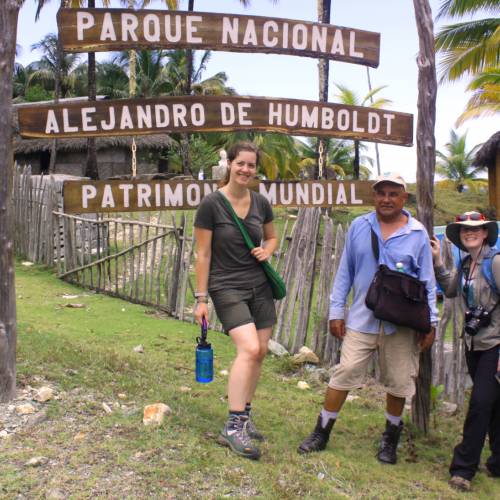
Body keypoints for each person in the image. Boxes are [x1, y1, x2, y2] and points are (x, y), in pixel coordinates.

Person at [298, 173, 437, 464]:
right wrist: (337, 311)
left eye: (393, 194)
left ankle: (390, 440)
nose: (386, 199)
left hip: (401, 324)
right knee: (345, 372)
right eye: (381, 193)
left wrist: (431, 322)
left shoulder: (417, 233)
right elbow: (345, 271)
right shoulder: (359, 226)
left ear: (403, 198)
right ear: (374, 196)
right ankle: (321, 431)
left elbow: (427, 280)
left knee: (399, 383)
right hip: (362, 317)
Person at [193, 141, 278, 461]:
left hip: (260, 286)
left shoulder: (261, 203)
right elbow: (203, 253)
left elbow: (271, 236)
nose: (245, 170)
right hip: (226, 286)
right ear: (229, 164)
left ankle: (244, 414)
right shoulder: (211, 205)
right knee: (250, 349)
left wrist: (267, 250)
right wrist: (202, 299)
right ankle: (232, 426)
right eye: (240, 163)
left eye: (251, 165)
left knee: (261, 352)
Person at [430, 212, 500, 492]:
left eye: (475, 229)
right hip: (474, 345)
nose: (469, 233)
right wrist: (437, 262)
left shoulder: (495, 262)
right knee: (494, 406)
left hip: (496, 345)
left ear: (485, 233)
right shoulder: (465, 263)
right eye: (463, 230)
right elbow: (448, 289)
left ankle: (463, 468)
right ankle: (497, 463)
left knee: (480, 404)